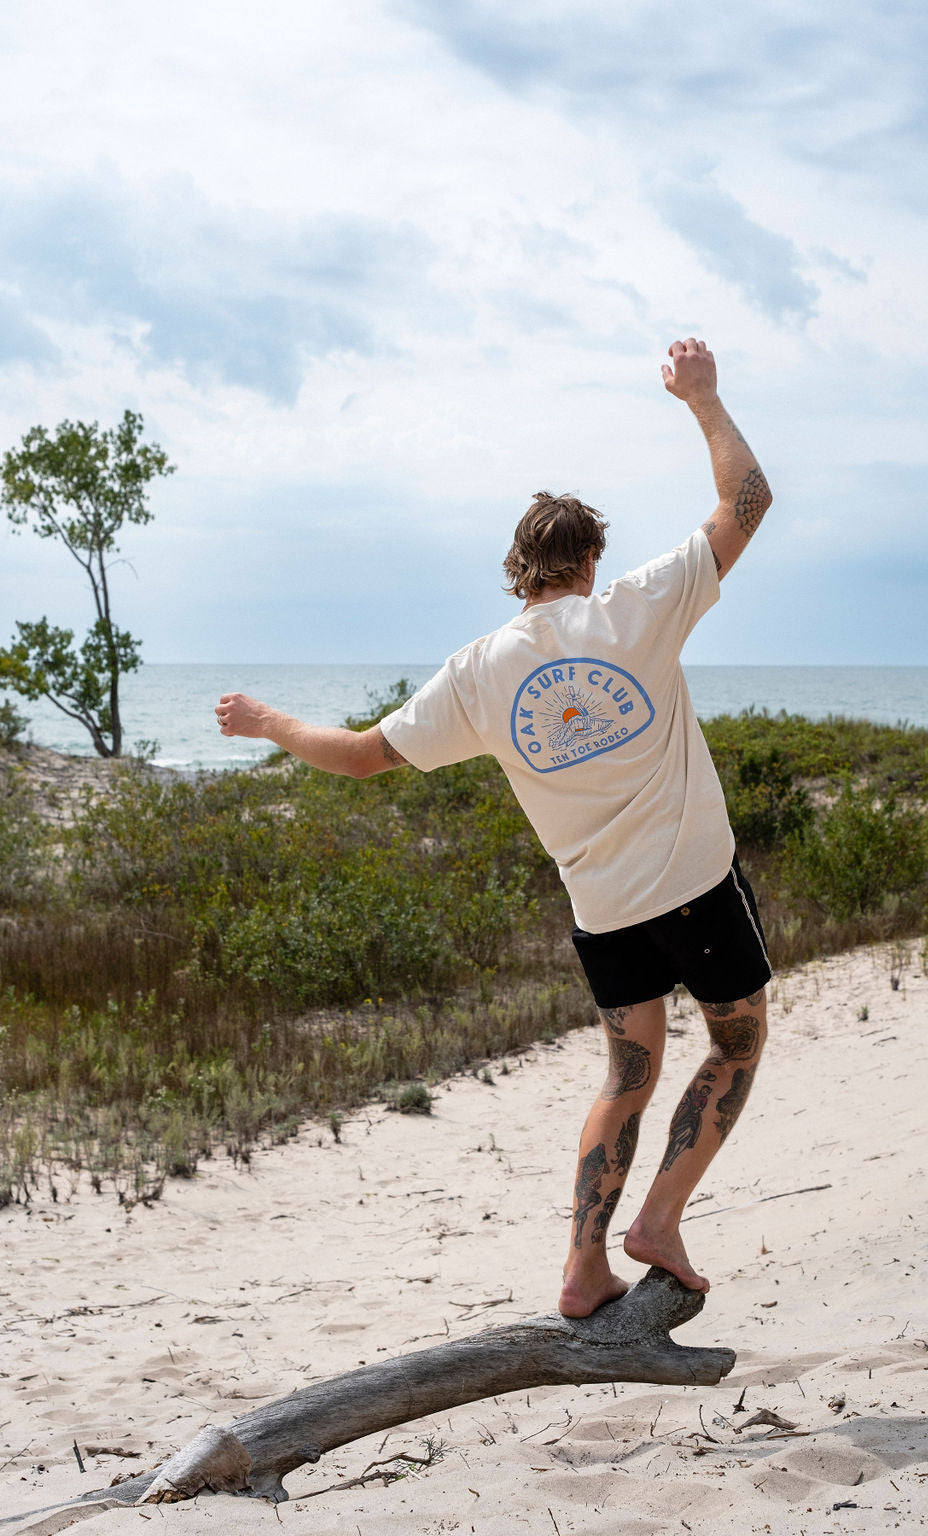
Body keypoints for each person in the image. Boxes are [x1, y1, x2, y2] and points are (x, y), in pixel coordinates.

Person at [216, 337, 773, 1319]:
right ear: (590, 563)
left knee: (626, 1071)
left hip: (602, 913)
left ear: (519, 573)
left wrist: (266, 722)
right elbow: (746, 503)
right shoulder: (636, 609)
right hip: (692, 886)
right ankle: (660, 1222)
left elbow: (359, 756)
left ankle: (583, 1264)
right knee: (735, 1043)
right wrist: (703, 398)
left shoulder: (478, 672)